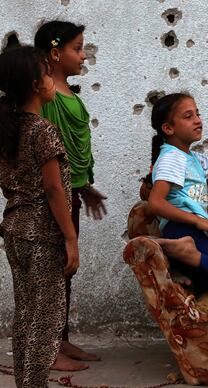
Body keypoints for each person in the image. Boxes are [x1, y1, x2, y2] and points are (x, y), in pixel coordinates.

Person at [0, 45, 79, 388]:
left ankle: (27, 383)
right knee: (45, 319)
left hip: (15, 231)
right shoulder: (42, 130)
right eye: (47, 73)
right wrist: (70, 237)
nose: (52, 80)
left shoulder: (9, 129)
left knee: (26, 314)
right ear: (35, 84)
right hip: (42, 235)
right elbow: (54, 190)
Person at [34, 20, 106, 370]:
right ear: (54, 51)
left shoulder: (70, 96)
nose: (83, 56)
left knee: (66, 271)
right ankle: (48, 349)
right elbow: (48, 158)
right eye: (77, 48)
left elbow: (72, 155)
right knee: (52, 272)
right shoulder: (45, 96)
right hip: (51, 201)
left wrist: (84, 186)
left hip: (71, 194)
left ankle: (60, 339)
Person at [146, 93, 208, 295]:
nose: (198, 120)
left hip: (194, 233)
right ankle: (186, 254)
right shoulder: (172, 158)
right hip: (182, 230)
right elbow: (155, 203)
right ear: (168, 128)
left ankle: (182, 266)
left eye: (197, 114)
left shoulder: (190, 158)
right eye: (188, 116)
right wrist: (198, 221)